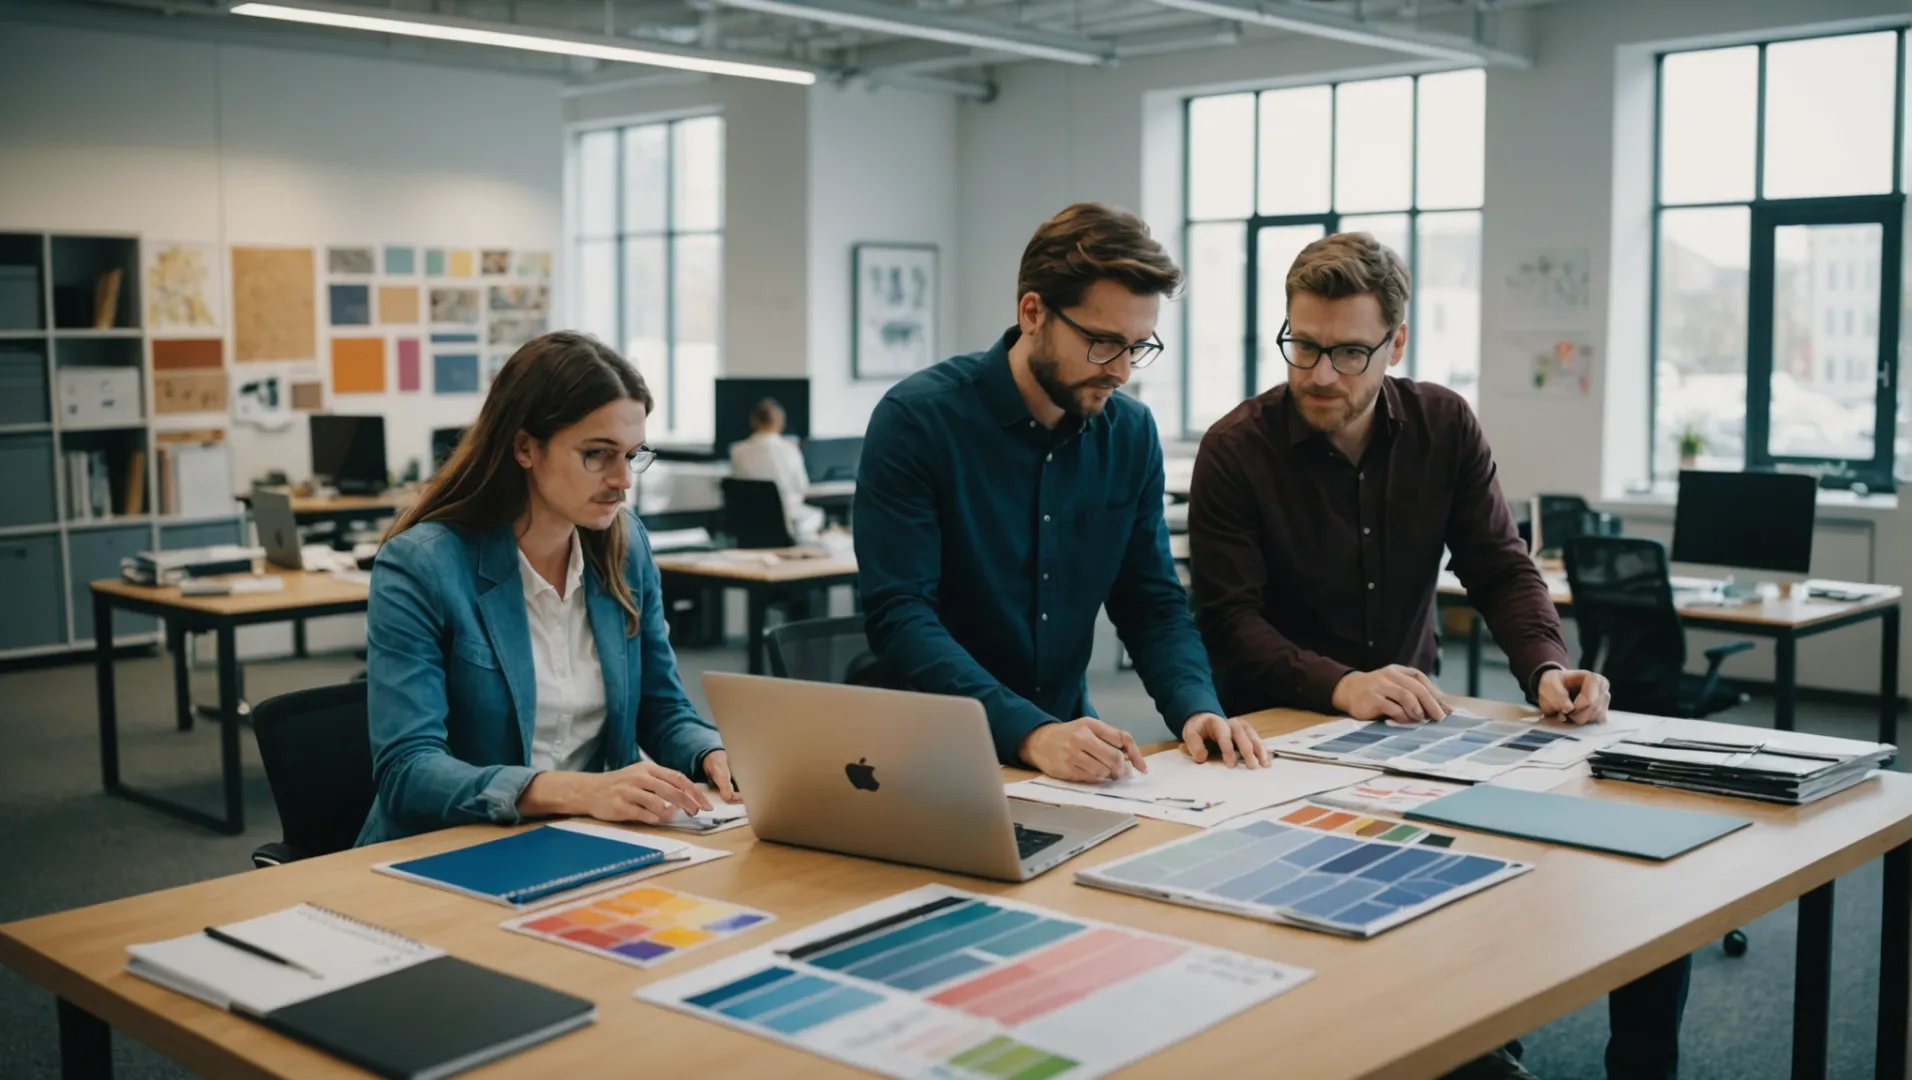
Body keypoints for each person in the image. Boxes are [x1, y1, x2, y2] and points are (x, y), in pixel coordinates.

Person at [1187, 232, 1684, 1080]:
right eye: (1301, 345)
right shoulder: (1237, 449)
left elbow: (1497, 562)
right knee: (1356, 966)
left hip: (1414, 735)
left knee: (1643, 895)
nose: (1319, 374)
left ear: (1397, 343)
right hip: (1276, 742)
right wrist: (1342, 685)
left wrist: (1543, 667)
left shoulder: (1443, 424)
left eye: (1348, 352)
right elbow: (1229, 621)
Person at [856, 202, 1266, 783]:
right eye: (1103, 343)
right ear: (1032, 312)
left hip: (1071, 745)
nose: (1122, 371)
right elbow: (901, 616)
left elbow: (1150, 602)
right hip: (928, 751)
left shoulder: (1130, 433)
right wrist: (1029, 731)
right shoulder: (918, 421)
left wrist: (1196, 705)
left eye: (1137, 346)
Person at [357, 331, 739, 846]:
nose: (623, 479)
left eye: (633, 454)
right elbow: (409, 770)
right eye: (598, 454)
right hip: (451, 849)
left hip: (589, 841)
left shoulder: (626, 549)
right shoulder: (423, 566)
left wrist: (712, 753)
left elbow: (661, 707)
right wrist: (579, 792)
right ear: (524, 448)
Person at [729, 397, 825, 543]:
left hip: (749, 521)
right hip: (786, 521)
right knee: (815, 516)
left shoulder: (736, 451)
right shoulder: (790, 449)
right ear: (780, 422)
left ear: (753, 421)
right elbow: (802, 487)